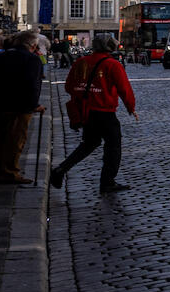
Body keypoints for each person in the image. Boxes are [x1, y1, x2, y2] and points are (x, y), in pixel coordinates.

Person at [51, 34, 136, 195]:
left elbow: (69, 86)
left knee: (89, 144)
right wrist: (130, 107)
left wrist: (84, 94)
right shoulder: (112, 64)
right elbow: (124, 89)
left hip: (86, 111)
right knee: (113, 147)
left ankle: (61, 169)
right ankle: (107, 181)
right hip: (105, 111)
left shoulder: (81, 62)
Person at [0, 31, 46, 186]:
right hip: (19, 106)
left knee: (0, 138)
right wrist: (34, 105)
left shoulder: (0, 57)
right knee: (15, 140)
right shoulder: (32, 59)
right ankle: (9, 172)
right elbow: (32, 85)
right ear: (33, 45)